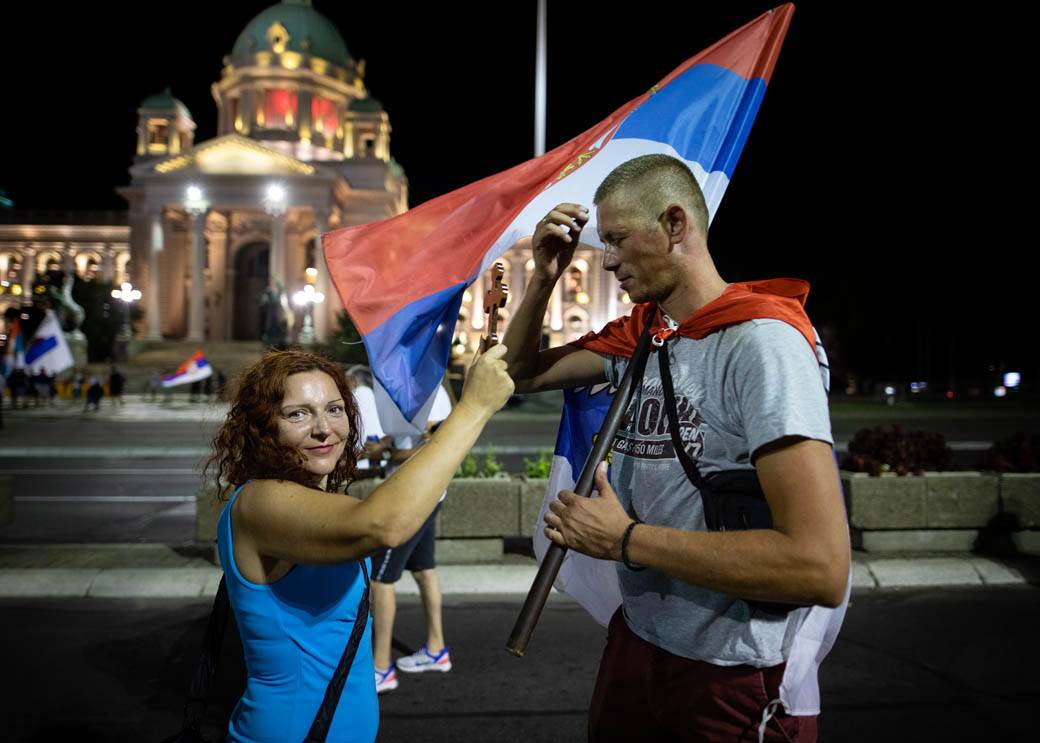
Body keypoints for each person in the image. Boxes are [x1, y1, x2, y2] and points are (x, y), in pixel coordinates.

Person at [502, 154, 850, 742]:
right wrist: (542, 278)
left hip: (733, 673)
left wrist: (625, 540)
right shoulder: (643, 336)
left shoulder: (761, 344)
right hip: (638, 644)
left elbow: (818, 566)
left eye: (616, 239)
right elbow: (520, 374)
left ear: (674, 224)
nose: (606, 259)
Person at [205, 346, 513, 742]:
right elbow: (383, 525)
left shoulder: (311, 500)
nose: (323, 428)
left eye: (334, 409)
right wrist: (472, 408)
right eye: (297, 413)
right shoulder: (261, 501)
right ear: (262, 427)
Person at [369, 382, 453, 694]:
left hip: (415, 497)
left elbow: (437, 443)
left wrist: (388, 451)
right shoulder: (409, 391)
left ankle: (381, 668)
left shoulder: (434, 393)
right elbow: (409, 436)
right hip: (420, 492)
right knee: (423, 570)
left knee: (380, 579)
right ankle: (436, 650)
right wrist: (386, 445)